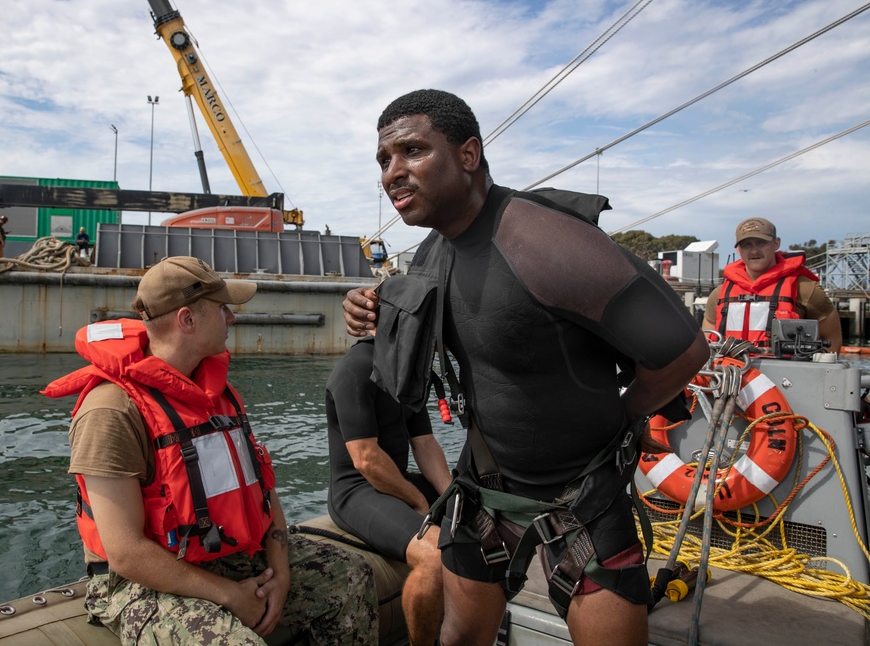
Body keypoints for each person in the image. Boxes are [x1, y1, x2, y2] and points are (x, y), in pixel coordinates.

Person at [343, 89, 710, 646]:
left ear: (468, 155)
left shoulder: (550, 243)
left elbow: (684, 352)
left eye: (412, 151)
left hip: (585, 491)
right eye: (384, 161)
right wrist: (368, 310)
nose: (393, 172)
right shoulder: (431, 254)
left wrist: (624, 416)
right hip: (486, 485)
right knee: (460, 637)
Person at [43, 256, 378, 645]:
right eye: (223, 309)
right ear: (188, 320)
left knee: (349, 574)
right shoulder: (111, 411)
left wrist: (281, 575)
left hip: (230, 556)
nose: (232, 319)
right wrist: (228, 595)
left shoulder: (216, 394)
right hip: (146, 583)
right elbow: (126, 553)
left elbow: (264, 493)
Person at [327, 335, 452, 645]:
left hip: (396, 481)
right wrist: (420, 501)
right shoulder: (355, 369)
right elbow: (366, 459)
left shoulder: (404, 373)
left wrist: (455, 495)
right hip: (355, 490)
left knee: (482, 513)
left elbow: (424, 443)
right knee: (434, 557)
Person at [702, 216, 842, 352]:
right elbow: (707, 344)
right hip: (730, 372)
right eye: (746, 245)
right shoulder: (719, 293)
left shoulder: (805, 289)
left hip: (784, 374)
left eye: (761, 243)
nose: (754, 251)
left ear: (776, 243)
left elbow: (832, 342)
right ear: (738, 250)